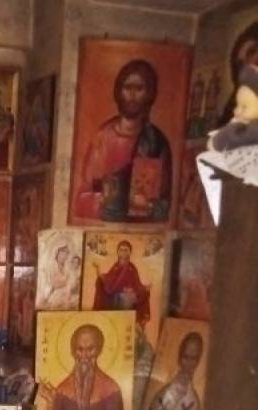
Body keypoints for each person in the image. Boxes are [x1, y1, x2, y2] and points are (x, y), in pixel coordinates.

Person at [73, 59, 172, 223]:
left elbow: (165, 205)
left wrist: (147, 205)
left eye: (139, 89)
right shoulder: (103, 137)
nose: (132, 95)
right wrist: (104, 200)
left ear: (149, 94)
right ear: (119, 91)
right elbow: (82, 197)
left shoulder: (156, 142)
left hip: (142, 230)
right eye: (127, 88)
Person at [52, 324, 128, 410]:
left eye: (90, 349)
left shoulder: (111, 389)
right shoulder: (62, 391)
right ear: (73, 351)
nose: (85, 355)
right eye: (80, 349)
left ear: (99, 350)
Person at [92, 239, 151, 326]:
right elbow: (108, 279)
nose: (123, 252)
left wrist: (143, 289)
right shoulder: (115, 267)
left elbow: (137, 284)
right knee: (100, 282)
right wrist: (99, 272)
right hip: (113, 297)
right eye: (121, 249)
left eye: (126, 250)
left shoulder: (132, 268)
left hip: (126, 298)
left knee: (124, 318)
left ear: (130, 252)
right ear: (118, 252)